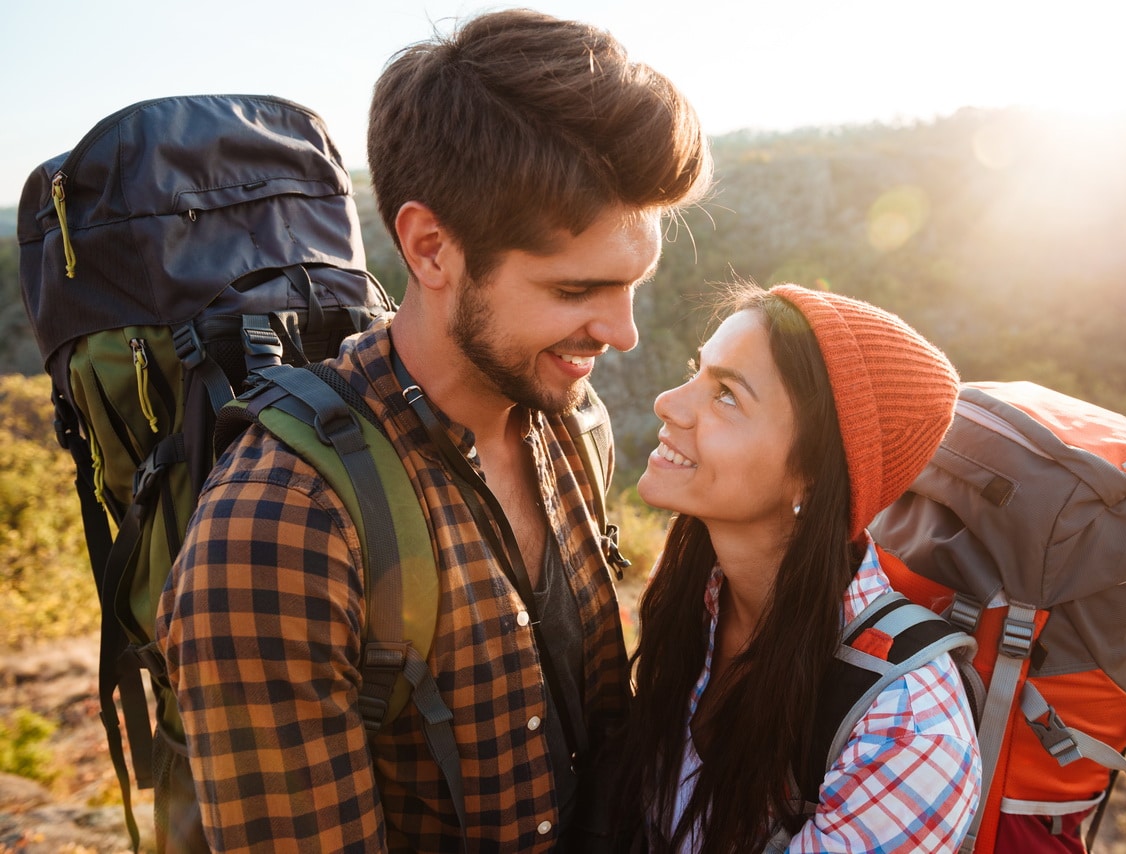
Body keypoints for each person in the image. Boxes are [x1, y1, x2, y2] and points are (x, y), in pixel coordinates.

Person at [156, 9, 710, 851]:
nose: (622, 332)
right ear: (431, 247)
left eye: (633, 283)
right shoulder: (282, 527)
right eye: (574, 291)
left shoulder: (571, 424)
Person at [620, 282, 982, 852]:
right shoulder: (698, 595)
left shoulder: (909, 727)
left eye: (727, 395)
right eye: (698, 370)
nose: (670, 401)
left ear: (812, 478)